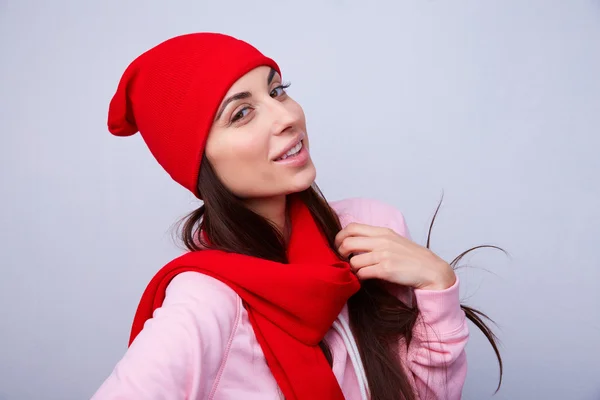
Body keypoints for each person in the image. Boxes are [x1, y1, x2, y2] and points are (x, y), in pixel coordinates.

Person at [92, 32, 501, 400]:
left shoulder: (372, 232)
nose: (286, 116)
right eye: (241, 113)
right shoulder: (207, 303)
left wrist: (437, 286)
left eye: (277, 90)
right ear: (200, 162)